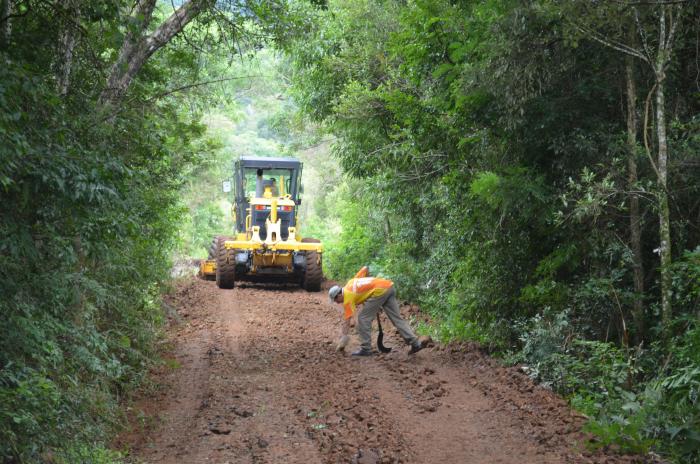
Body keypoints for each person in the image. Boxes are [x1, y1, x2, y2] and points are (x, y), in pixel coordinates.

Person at [329, 266, 424, 356]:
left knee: (363, 318)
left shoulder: (348, 298)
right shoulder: (351, 282)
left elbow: (347, 321)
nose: (337, 303)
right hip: (389, 286)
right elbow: (365, 268)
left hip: (380, 292)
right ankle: (415, 344)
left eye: (336, 300)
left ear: (339, 295)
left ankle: (366, 349)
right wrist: (369, 289)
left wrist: (344, 338)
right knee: (397, 318)